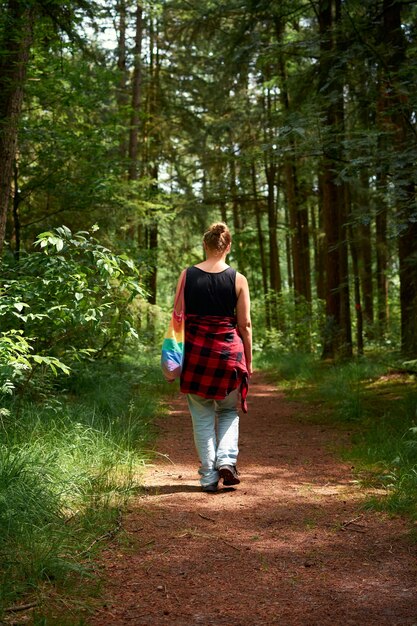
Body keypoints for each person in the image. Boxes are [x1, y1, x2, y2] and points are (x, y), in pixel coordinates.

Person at [173, 222, 252, 493]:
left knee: (202, 416)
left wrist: (174, 356)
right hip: (228, 355)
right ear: (227, 246)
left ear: (204, 246)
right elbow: (245, 326)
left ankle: (208, 476)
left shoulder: (186, 275)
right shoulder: (238, 279)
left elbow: (178, 317)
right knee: (229, 411)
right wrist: (248, 361)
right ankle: (227, 461)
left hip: (196, 356)